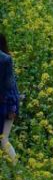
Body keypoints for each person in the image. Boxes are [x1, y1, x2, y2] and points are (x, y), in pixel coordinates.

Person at [0, 32, 18, 163]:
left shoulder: (5, 60)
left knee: (3, 139)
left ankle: (17, 169)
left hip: (6, 105)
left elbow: (10, 86)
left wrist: (12, 109)